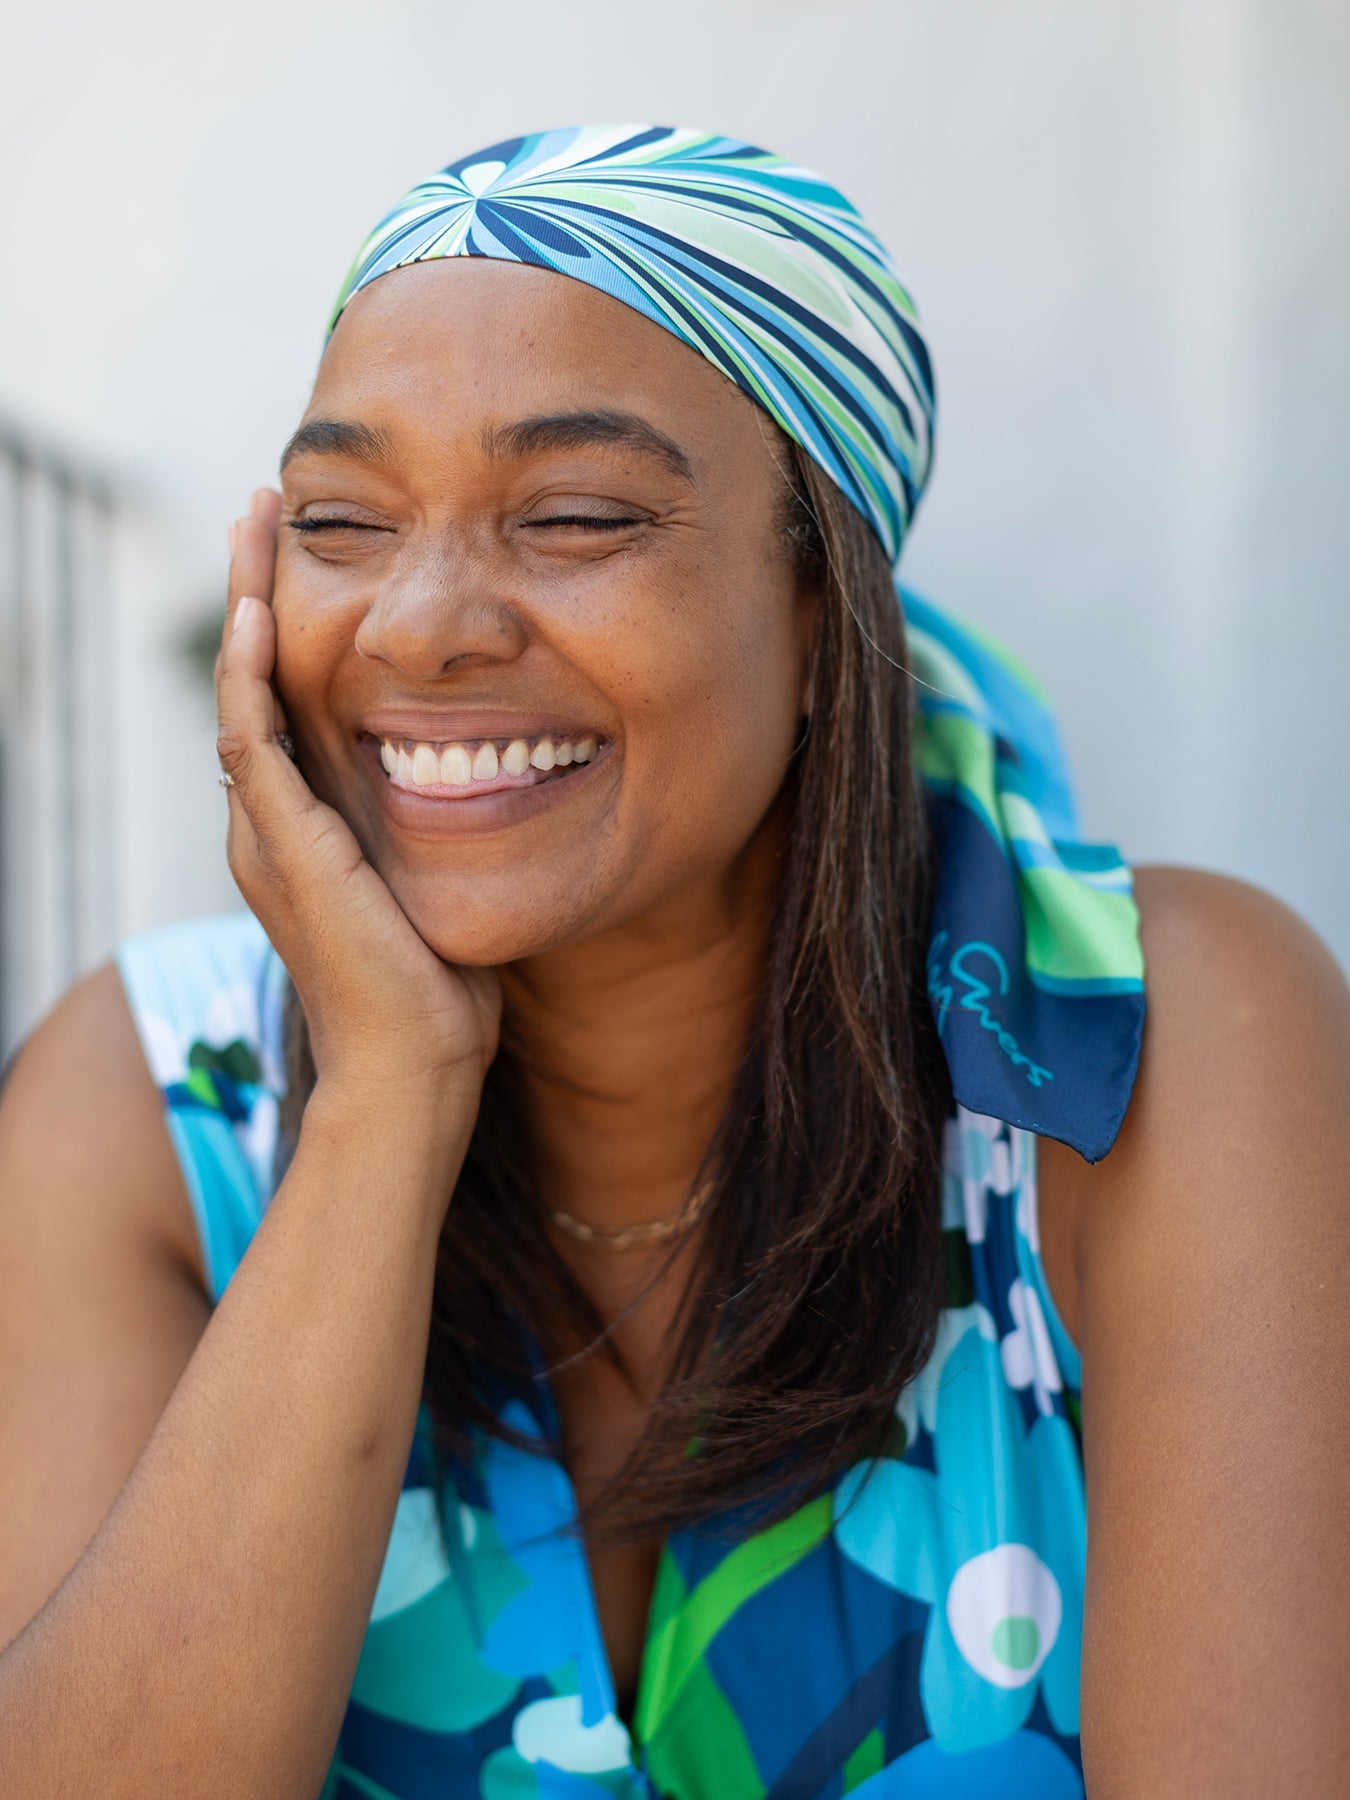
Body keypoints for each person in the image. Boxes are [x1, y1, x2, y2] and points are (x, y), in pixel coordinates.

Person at [0, 126, 1346, 1800]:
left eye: (573, 515)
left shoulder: (1143, 1048)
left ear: (820, 615)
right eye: (341, 520)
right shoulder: (146, 1099)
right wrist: (385, 1102)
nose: (417, 624)